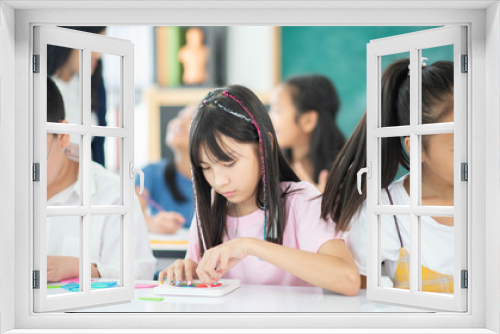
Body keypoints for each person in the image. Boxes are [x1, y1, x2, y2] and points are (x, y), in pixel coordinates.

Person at [158, 85, 359, 296]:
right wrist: (187, 269)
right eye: (206, 167)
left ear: (265, 147)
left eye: (229, 163)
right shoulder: (208, 210)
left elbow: (348, 279)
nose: (219, 181)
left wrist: (249, 246)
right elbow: (201, 276)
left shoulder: (301, 202)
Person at [321, 59, 455, 292]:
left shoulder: (489, 198)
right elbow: (357, 302)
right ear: (416, 148)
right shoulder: (385, 211)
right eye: (457, 146)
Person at [45, 76, 156, 282]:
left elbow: (140, 274)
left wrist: (84, 269)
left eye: (34, 154)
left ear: (63, 135)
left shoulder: (113, 196)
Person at [269, 74, 345, 193]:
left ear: (308, 121)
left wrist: (322, 202)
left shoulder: (345, 172)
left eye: (277, 111)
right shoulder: (271, 166)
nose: (269, 117)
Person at [48, 26, 108, 166]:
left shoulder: (94, 84)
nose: (99, 55)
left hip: (87, 180)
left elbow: (98, 150)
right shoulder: (39, 84)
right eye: (95, 44)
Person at [135, 104, 196, 234]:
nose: (179, 122)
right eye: (180, 116)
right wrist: (150, 222)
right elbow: (126, 219)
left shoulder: (219, 181)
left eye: (192, 119)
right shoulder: (149, 173)